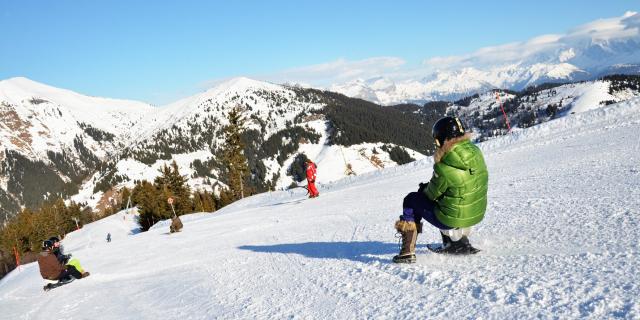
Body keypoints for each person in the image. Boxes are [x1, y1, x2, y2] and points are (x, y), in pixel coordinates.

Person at [393, 116, 488, 263]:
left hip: (452, 218)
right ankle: (458, 242)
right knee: (453, 197)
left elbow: (431, 195)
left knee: (411, 200)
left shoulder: (444, 165)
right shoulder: (476, 153)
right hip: (475, 213)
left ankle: (407, 252)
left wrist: (424, 189)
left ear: (442, 139)